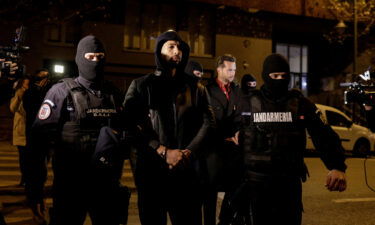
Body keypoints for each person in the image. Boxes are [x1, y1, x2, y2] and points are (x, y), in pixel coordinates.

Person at [25, 35, 128, 225]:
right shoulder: (61, 92)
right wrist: (35, 188)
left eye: (100, 56)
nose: (96, 61)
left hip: (106, 186)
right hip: (70, 187)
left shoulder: (113, 93)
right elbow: (37, 142)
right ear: (80, 58)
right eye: (90, 56)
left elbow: (126, 134)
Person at [232, 53, 347, 225]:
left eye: (284, 76)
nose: (279, 80)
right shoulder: (247, 103)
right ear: (265, 76)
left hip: (288, 186)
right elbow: (228, 133)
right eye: (274, 76)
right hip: (255, 186)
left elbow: (323, 134)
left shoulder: (300, 104)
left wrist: (336, 165)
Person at [123, 30, 214, 225]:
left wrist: (188, 152)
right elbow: (130, 124)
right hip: (152, 174)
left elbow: (208, 123)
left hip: (186, 174)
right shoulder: (141, 86)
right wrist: (162, 150)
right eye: (171, 46)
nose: (177, 51)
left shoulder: (196, 88)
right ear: (159, 52)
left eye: (179, 47)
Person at [202, 54, 242, 225]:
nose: (233, 73)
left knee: (236, 187)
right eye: (229, 69)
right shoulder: (206, 90)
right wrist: (224, 135)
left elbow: (241, 115)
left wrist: (239, 132)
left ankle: (224, 220)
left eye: (234, 69)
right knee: (210, 192)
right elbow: (205, 120)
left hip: (233, 149)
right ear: (219, 69)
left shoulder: (238, 90)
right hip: (213, 148)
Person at [10, 78, 30, 186]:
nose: (26, 86)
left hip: (30, 131)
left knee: (29, 158)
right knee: (23, 158)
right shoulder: (17, 94)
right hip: (20, 131)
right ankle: (24, 179)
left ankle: (28, 180)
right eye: (25, 84)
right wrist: (19, 95)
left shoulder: (33, 93)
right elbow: (13, 109)